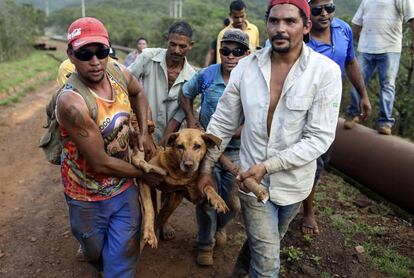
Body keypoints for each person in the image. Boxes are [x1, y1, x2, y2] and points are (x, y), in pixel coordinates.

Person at [197, 0, 342, 276]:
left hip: (294, 185)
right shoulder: (246, 68)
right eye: (274, 21)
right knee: (267, 266)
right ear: (266, 24)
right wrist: (206, 168)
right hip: (252, 184)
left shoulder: (325, 72)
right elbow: (223, 122)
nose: (280, 28)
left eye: (290, 22)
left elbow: (319, 138)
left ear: (307, 26)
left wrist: (268, 166)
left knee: (260, 246)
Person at [56, 17, 163, 277]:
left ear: (108, 50)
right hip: (86, 194)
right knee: (95, 254)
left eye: (101, 52)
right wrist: (143, 173)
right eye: (84, 53)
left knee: (121, 261)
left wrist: (143, 133)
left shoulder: (117, 71)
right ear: (71, 54)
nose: (95, 61)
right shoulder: (72, 103)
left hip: (122, 188)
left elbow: (138, 92)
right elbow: (100, 163)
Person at [180, 29, 250, 266]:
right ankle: (205, 244)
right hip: (206, 151)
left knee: (233, 204)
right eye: (226, 51)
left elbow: (256, 120)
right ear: (220, 52)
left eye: (237, 52)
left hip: (236, 151)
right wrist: (191, 120)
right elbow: (185, 93)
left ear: (247, 54)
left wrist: (228, 134)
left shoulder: (253, 81)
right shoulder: (207, 75)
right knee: (206, 197)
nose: (230, 56)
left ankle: (220, 228)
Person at [302, 0, 372, 235]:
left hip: (331, 108)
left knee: (323, 158)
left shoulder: (342, 30)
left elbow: (350, 61)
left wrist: (363, 94)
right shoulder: (301, 37)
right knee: (313, 158)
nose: (324, 14)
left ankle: (299, 199)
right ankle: (307, 212)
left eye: (329, 8)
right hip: (304, 107)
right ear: (307, 11)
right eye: (317, 9)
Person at [128, 21, 196, 239]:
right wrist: (142, 130)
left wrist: (169, 134)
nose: (176, 50)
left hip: (172, 138)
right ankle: (148, 220)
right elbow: (126, 81)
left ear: (190, 46)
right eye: (173, 44)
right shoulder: (148, 57)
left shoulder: (192, 75)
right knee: (147, 177)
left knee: (172, 180)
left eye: (182, 46)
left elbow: (184, 108)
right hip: (144, 132)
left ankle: (162, 221)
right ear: (166, 41)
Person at [345, 0, 414, 135]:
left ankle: (385, 122)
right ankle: (353, 114)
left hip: (389, 48)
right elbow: (357, 23)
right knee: (356, 81)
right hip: (366, 47)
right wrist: (345, 43)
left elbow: (411, 17)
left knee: (387, 85)